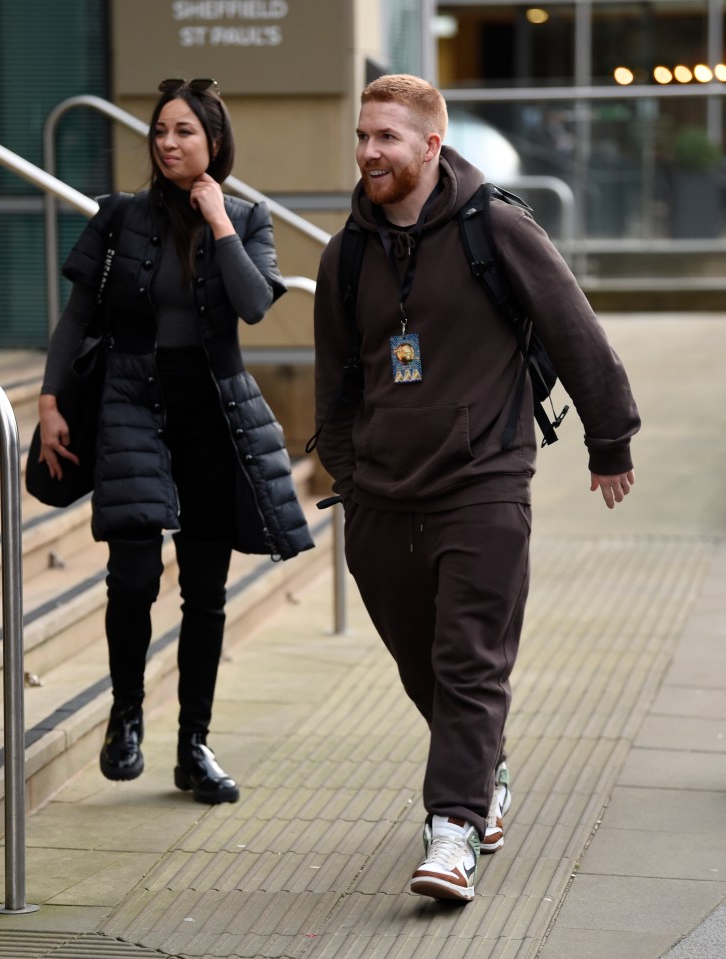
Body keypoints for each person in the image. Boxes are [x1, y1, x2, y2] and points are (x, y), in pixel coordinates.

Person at [312, 75, 639, 902]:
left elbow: (573, 327)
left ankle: (451, 827)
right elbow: (335, 379)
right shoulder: (346, 251)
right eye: (362, 136)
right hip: (382, 491)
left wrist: (610, 437)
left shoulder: (494, 225)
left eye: (386, 136)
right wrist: (348, 477)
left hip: (485, 479)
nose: (369, 152)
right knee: (421, 663)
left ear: (431, 144)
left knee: (468, 659)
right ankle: (482, 764)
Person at [36, 78, 313, 804]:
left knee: (206, 591)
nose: (166, 142)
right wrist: (48, 399)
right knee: (131, 574)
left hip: (214, 415)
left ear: (213, 144)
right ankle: (125, 714)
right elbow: (75, 318)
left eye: (184, 131)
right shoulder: (119, 218)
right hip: (130, 402)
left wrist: (219, 219)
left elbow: (255, 307)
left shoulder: (249, 219)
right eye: (160, 130)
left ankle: (194, 744)